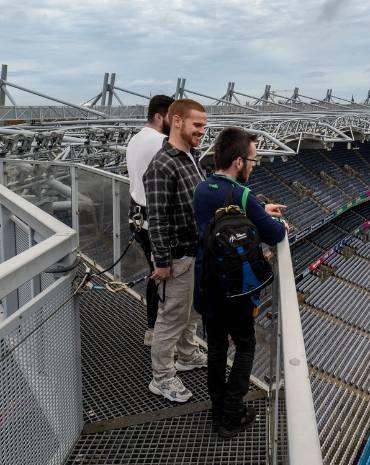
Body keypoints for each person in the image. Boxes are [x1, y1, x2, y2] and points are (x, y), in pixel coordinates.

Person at [193, 127, 287, 438]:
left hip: (207, 284)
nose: (254, 164)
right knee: (245, 346)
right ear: (237, 161)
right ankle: (232, 413)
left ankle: (218, 408)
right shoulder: (244, 195)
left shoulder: (202, 188)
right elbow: (275, 234)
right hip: (235, 290)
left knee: (217, 349)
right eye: (252, 159)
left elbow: (221, 225)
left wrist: (259, 211)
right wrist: (272, 218)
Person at [143, 98, 209, 403]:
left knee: (190, 313)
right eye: (197, 125)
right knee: (170, 320)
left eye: (204, 126)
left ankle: (185, 355)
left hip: (195, 253)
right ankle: (162, 377)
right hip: (179, 257)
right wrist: (162, 262)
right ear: (177, 121)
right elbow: (156, 218)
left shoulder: (190, 157)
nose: (202, 131)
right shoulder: (163, 164)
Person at [125, 94, 174, 346]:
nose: (175, 124)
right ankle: (159, 335)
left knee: (157, 275)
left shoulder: (134, 139)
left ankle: (153, 330)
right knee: (166, 279)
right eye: (171, 118)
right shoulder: (162, 142)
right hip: (156, 223)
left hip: (139, 219)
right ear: (159, 116)